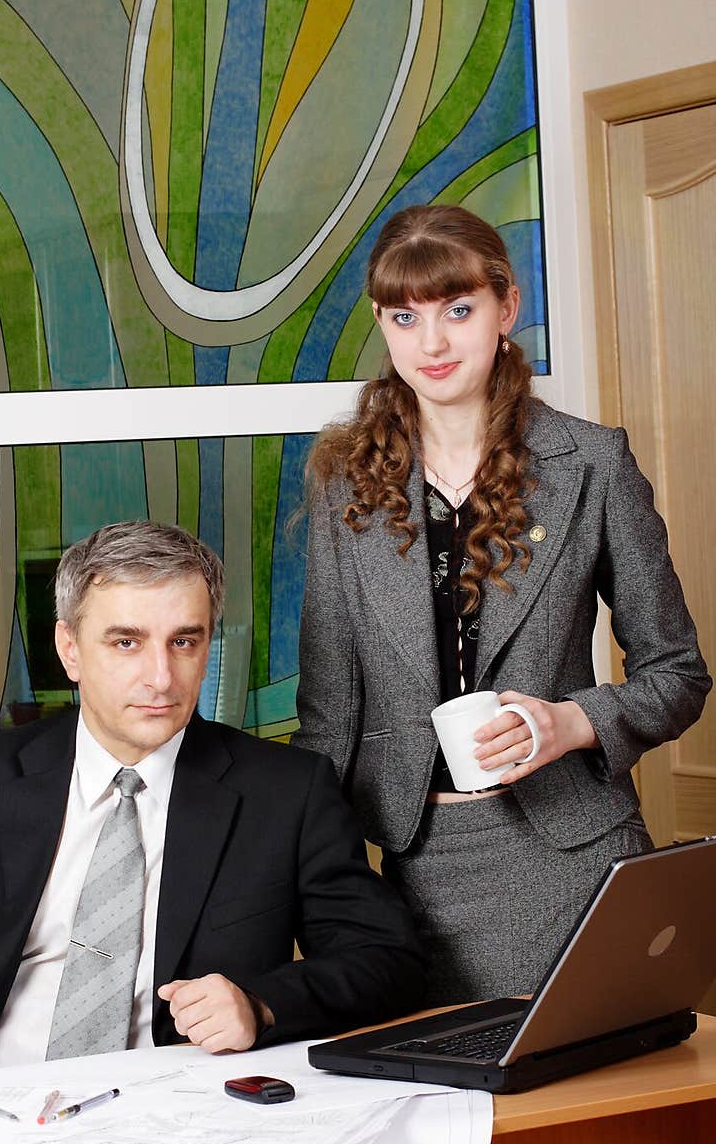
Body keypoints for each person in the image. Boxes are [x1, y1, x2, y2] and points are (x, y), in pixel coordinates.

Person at [0, 520, 428, 1088]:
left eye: (185, 642)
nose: (161, 677)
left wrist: (263, 1005)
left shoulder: (286, 792)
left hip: (180, 1113)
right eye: (127, 642)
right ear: (70, 650)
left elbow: (385, 961)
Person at [293, 203, 710, 1008]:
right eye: (404, 317)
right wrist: (313, 884)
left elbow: (678, 673)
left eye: (459, 309)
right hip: (413, 867)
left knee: (594, 1118)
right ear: (383, 326)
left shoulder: (592, 462)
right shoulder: (345, 482)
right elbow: (329, 716)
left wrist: (572, 722)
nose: (433, 342)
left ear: (506, 307)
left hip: (574, 852)